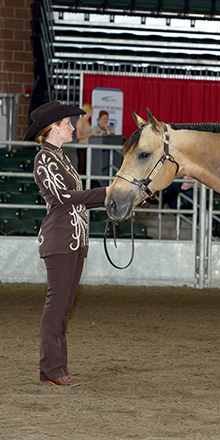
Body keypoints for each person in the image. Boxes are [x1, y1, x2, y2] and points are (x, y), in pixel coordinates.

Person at [24, 101, 110, 387]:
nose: (73, 127)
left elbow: (76, 197)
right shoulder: (44, 159)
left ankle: (53, 369)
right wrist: (107, 192)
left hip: (74, 240)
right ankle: (52, 370)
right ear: (53, 129)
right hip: (61, 239)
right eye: (67, 124)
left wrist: (109, 197)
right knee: (56, 306)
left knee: (63, 306)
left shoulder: (60, 157)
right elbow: (65, 197)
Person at [75, 103, 99, 174]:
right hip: (82, 146)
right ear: (88, 111)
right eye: (92, 111)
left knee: (85, 167)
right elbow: (78, 136)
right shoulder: (81, 121)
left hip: (87, 146)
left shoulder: (87, 122)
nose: (93, 113)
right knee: (81, 167)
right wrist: (91, 134)